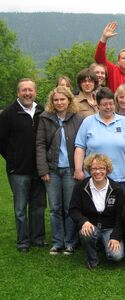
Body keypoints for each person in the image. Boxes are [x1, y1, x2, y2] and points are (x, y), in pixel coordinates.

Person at [0, 78, 46, 252]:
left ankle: (37, 238)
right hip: (18, 170)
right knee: (20, 208)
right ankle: (23, 242)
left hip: (39, 169)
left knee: (38, 206)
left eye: (30, 90)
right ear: (18, 93)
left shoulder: (42, 111)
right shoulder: (8, 114)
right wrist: (13, 159)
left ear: (35, 92)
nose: (28, 93)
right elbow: (1, 141)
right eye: (24, 90)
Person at [36, 86, 84, 255]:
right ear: (52, 101)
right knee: (55, 208)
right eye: (56, 100)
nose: (59, 103)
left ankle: (70, 242)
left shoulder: (78, 119)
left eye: (62, 99)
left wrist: (79, 168)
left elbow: (82, 145)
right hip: (52, 169)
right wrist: (43, 169)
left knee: (69, 207)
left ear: (69, 100)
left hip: (71, 169)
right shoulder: (45, 118)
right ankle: (57, 242)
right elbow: (40, 144)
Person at [74, 87, 125, 194]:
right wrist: (78, 170)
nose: (108, 107)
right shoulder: (88, 122)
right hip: (94, 176)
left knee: (118, 209)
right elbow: (80, 148)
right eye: (104, 104)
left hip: (119, 177)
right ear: (98, 105)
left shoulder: (124, 122)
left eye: (111, 104)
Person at [69, 154, 125, 270]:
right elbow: (73, 210)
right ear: (89, 170)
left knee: (116, 256)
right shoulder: (80, 187)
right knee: (86, 232)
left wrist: (115, 236)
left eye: (102, 168)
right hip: (91, 225)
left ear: (107, 170)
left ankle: (104, 246)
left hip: (110, 228)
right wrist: (83, 221)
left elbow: (121, 216)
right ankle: (92, 259)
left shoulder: (117, 189)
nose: (98, 172)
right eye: (94, 168)